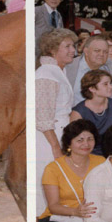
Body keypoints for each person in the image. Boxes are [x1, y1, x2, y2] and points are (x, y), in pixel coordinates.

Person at [38, 119, 103, 222]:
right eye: (79, 140)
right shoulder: (53, 168)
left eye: (90, 139)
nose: (86, 144)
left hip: (88, 220)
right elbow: (53, 206)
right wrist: (75, 211)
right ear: (69, 142)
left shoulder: (101, 163)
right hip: (59, 217)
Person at [36, 28, 79, 211]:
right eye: (67, 46)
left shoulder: (57, 71)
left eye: (74, 46)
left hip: (60, 134)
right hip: (47, 140)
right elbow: (42, 115)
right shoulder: (46, 72)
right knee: (48, 185)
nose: (73, 51)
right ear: (53, 50)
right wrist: (55, 147)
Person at [70, 70, 112, 138]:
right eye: (105, 84)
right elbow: (76, 140)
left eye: (110, 83)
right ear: (92, 88)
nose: (110, 87)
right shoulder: (78, 112)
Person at [66, 33, 112, 106]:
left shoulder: (109, 67)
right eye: (97, 51)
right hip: (74, 114)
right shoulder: (70, 67)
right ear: (86, 51)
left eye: (105, 52)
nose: (102, 54)